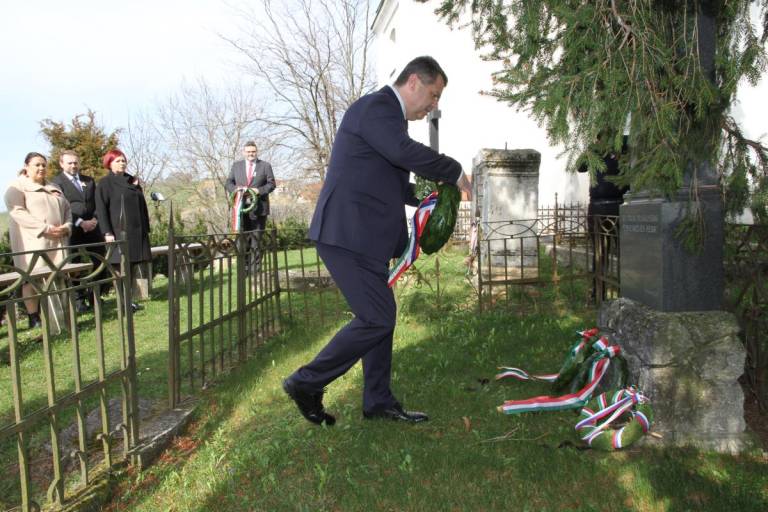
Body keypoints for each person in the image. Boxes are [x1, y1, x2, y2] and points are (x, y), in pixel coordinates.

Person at [283, 56, 472, 425]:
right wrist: (454, 171)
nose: (434, 105)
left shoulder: (389, 120)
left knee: (381, 316)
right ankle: (306, 382)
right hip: (345, 234)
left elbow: (393, 184)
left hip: (364, 238)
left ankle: (378, 401)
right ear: (413, 82)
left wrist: (432, 199)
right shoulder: (376, 108)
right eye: (434, 95)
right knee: (377, 317)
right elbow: (403, 153)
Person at [4, 152, 72, 328]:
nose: (41, 168)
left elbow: (67, 209)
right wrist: (45, 228)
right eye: (37, 165)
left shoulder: (54, 186)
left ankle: (59, 317)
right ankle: (34, 317)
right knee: (32, 280)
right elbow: (18, 212)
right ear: (26, 166)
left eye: (44, 165)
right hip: (33, 241)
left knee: (55, 277)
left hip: (57, 241)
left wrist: (67, 226)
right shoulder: (17, 187)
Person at [95, 149, 151, 313]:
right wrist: (107, 232)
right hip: (118, 231)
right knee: (120, 269)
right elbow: (101, 210)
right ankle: (123, 303)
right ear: (109, 163)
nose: (122, 163)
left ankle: (129, 300)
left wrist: (146, 228)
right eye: (118, 161)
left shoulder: (132, 180)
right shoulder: (105, 183)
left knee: (131, 266)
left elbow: (142, 205)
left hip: (136, 232)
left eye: (123, 160)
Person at [51, 150, 104, 312]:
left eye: (76, 162)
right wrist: (81, 222)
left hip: (93, 228)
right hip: (73, 230)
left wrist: (94, 220)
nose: (74, 165)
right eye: (70, 163)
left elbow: (97, 202)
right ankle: (79, 300)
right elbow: (62, 206)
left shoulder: (89, 181)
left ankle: (95, 295)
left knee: (100, 260)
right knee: (74, 266)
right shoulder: (56, 183)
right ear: (61, 164)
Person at [577, 136, 629, 301]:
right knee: (600, 252)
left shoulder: (622, 147)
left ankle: (628, 291)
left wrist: (617, 143)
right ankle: (598, 293)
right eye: (600, 139)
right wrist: (592, 148)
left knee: (624, 250)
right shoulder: (594, 153)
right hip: (597, 206)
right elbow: (580, 167)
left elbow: (630, 143)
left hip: (618, 205)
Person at [224, 141, 276, 271]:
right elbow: (228, 183)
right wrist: (236, 190)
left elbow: (271, 184)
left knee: (256, 240)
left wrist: (259, 190)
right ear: (244, 152)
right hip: (241, 209)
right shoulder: (236, 166)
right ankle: (244, 268)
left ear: (256, 152)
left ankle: (255, 270)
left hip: (259, 209)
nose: (251, 154)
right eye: (248, 152)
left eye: (253, 151)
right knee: (242, 240)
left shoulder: (265, 166)